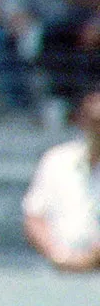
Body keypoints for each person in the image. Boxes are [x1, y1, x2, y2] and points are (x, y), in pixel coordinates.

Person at [23, 88, 100, 270]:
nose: (98, 130)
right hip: (59, 272)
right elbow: (34, 217)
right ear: (82, 121)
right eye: (95, 121)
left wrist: (92, 258)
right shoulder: (56, 161)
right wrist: (59, 256)